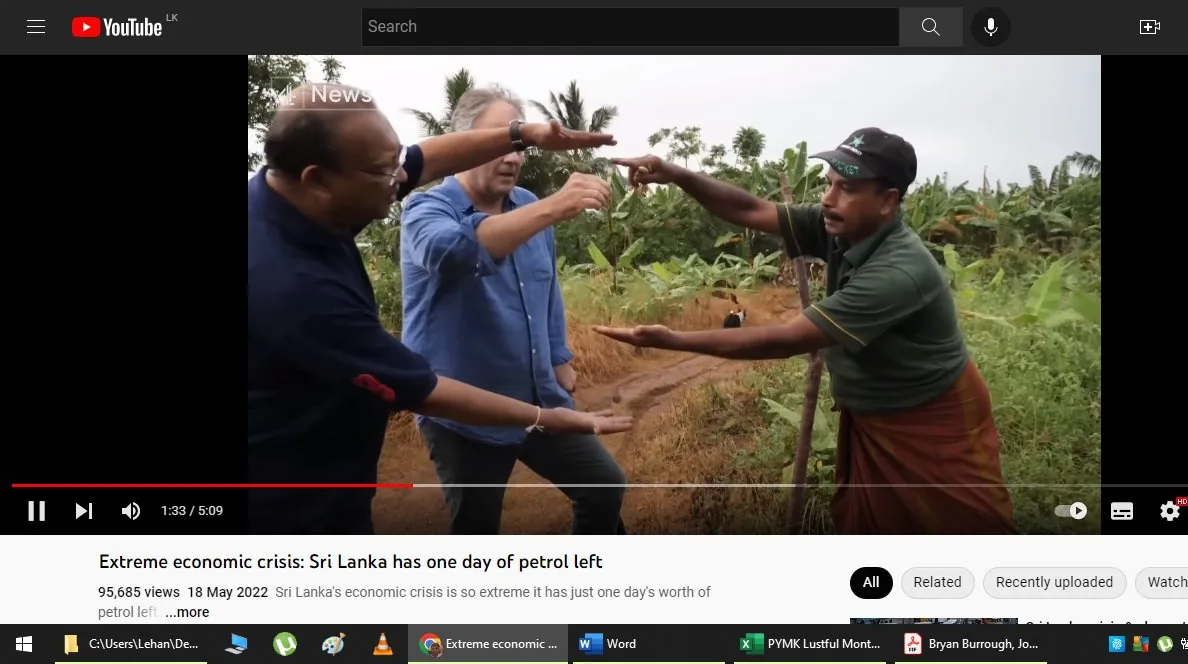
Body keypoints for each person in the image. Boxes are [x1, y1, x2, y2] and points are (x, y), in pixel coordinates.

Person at [247, 82, 632, 535]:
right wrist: (547, 418)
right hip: (298, 503)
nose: (401, 179)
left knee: (604, 485)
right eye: (385, 172)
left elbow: (419, 159)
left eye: (397, 161)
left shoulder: (306, 189)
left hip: (533, 392)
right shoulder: (293, 286)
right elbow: (424, 381)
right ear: (318, 181)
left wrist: (524, 132)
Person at [598, 128, 1015, 535]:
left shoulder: (898, 272)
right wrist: (676, 173)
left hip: (929, 418)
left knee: (965, 533)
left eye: (847, 188)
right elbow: (750, 211)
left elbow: (786, 338)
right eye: (828, 184)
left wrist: (671, 340)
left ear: (888, 201)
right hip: (874, 414)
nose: (829, 199)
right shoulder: (843, 225)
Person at [400, 86, 629, 534]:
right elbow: (453, 254)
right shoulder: (424, 209)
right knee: (478, 530)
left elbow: (545, 288)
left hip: (540, 398)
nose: (512, 157)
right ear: (467, 144)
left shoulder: (527, 204)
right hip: (465, 413)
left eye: (519, 145)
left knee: (604, 485)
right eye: (502, 142)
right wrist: (555, 206)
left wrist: (559, 355)